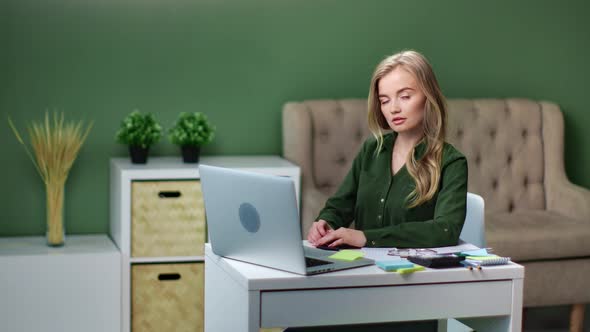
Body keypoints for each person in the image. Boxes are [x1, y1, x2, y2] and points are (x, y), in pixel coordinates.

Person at [308, 50, 468, 250]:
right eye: (385, 100)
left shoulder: (451, 162)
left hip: (415, 273)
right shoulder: (372, 149)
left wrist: (366, 237)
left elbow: (446, 230)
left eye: (405, 96)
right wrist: (326, 222)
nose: (393, 109)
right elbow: (341, 204)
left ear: (428, 96)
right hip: (362, 267)